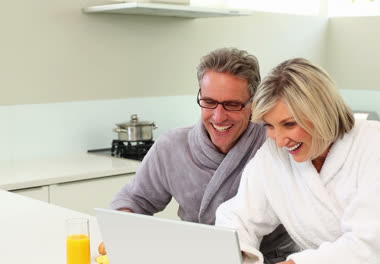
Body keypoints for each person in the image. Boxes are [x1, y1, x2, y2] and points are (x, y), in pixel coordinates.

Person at [215, 58, 380, 264]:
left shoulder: (377, 143)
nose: (279, 141)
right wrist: (237, 254)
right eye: (269, 126)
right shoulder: (273, 156)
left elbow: (371, 246)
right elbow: (238, 216)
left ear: (320, 112)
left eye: (289, 124)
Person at [100, 48, 296, 263]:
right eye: (209, 102)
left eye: (232, 105)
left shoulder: (274, 145)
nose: (218, 117)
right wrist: (124, 227)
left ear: (253, 104)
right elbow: (135, 199)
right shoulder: (172, 147)